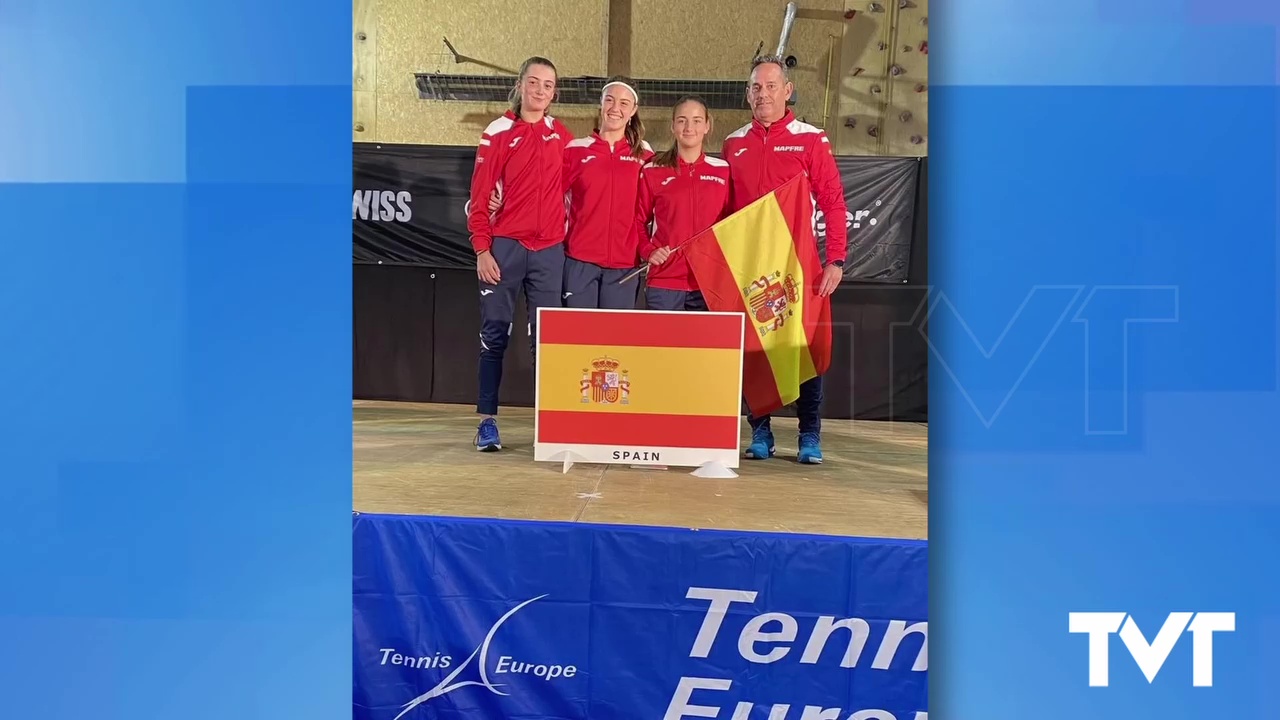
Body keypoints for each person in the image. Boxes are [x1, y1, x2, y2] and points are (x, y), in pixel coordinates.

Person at [722, 55, 849, 464]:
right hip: (751, 269)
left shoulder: (812, 139)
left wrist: (837, 260)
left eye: (771, 86)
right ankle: (760, 431)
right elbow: (724, 211)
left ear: (788, 90)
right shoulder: (733, 143)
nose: (764, 94)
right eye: (756, 87)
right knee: (754, 351)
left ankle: (809, 434)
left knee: (803, 350)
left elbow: (832, 203)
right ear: (747, 94)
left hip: (801, 268)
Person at [466, 56, 574, 451]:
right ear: (521, 85)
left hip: (548, 253)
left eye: (548, 85)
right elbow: (479, 200)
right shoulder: (497, 132)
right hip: (504, 249)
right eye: (534, 82)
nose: (540, 90)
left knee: (547, 342)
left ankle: (553, 425)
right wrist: (482, 249)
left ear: (554, 93)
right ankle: (486, 422)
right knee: (494, 334)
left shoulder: (562, 136)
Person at [491, 76, 654, 309]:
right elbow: (543, 189)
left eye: (623, 103)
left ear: (633, 110)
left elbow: (659, 204)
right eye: (609, 100)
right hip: (579, 261)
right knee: (578, 340)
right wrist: (501, 197)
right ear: (601, 103)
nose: (615, 108)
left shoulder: (645, 155)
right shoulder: (575, 149)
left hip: (624, 264)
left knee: (614, 342)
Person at [634, 95, 730, 312]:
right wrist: (649, 250)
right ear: (672, 126)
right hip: (665, 281)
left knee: (704, 347)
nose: (689, 127)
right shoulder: (653, 171)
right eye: (682, 120)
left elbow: (733, 223)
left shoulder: (723, 170)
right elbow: (637, 221)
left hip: (710, 283)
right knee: (663, 346)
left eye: (696, 120)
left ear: (707, 126)